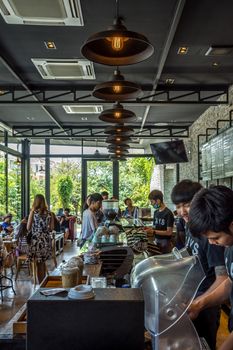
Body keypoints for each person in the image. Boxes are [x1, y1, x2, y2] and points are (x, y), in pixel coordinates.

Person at [171, 180, 227, 350]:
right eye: (178, 206)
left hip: (206, 302)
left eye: (187, 205)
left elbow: (223, 279)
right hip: (191, 298)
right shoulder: (191, 226)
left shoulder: (212, 234)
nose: (182, 211)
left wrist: (199, 302)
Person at [187, 185, 233, 350]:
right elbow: (229, 282)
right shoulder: (229, 248)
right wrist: (199, 305)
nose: (212, 243)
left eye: (216, 237)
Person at [27, 194, 54, 283]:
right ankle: (43, 284)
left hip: (36, 240)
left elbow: (28, 227)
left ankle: (41, 286)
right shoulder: (50, 213)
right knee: (42, 263)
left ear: (35, 201)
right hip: (46, 240)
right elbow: (51, 228)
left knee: (39, 264)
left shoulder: (33, 212)